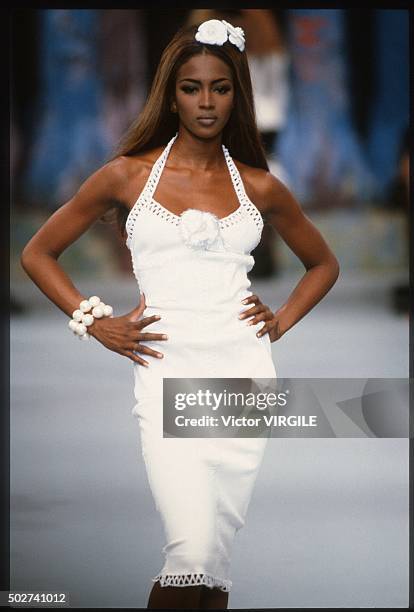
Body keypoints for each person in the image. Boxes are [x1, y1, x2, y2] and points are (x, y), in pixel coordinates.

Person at [20, 19, 340, 610]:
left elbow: (323, 264)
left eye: (220, 88)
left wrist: (280, 320)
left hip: (244, 378)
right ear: (172, 94)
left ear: (237, 95)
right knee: (190, 553)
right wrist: (95, 321)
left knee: (212, 568)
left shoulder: (260, 187)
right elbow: (37, 252)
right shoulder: (127, 175)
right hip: (168, 374)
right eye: (192, 87)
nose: (206, 101)